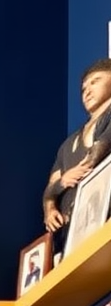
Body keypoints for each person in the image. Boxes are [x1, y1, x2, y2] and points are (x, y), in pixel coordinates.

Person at [43, 58, 111, 243]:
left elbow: (104, 143)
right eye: (83, 88)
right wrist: (50, 210)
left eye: (95, 81)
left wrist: (88, 164)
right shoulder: (67, 145)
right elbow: (51, 189)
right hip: (74, 234)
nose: (87, 91)